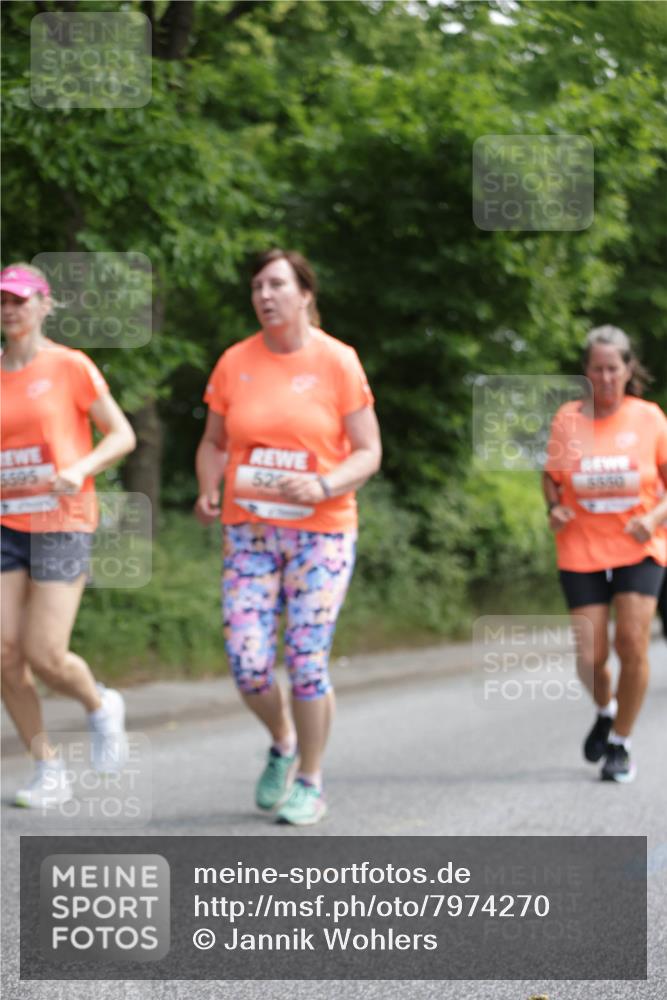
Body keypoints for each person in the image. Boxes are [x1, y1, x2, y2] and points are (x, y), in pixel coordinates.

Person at [195, 249, 381, 825]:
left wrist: (324, 483)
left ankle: (311, 780)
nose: (264, 295)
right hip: (249, 531)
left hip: (320, 534)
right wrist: (207, 487)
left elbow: (369, 451)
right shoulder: (234, 362)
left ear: (304, 294)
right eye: (256, 286)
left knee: (305, 659)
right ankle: (282, 739)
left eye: (276, 284)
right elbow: (214, 443)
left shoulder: (338, 362)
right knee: (248, 663)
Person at [1, 263, 137, 807]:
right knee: (3, 653)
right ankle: (47, 768)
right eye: (2, 302)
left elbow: (122, 433)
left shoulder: (70, 366)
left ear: (44, 305)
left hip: (61, 520)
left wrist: (81, 468)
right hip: (6, 522)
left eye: (20, 300)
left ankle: (101, 705)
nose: (10, 310)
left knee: (44, 653)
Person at [543, 325, 667, 782]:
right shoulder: (568, 420)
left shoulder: (650, 418)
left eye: (614, 367)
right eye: (597, 368)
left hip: (640, 546)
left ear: (628, 369)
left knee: (631, 641)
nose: (606, 376)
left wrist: (653, 520)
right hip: (581, 547)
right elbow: (552, 479)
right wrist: (554, 508)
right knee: (590, 654)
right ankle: (605, 707)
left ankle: (621, 742)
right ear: (586, 371)